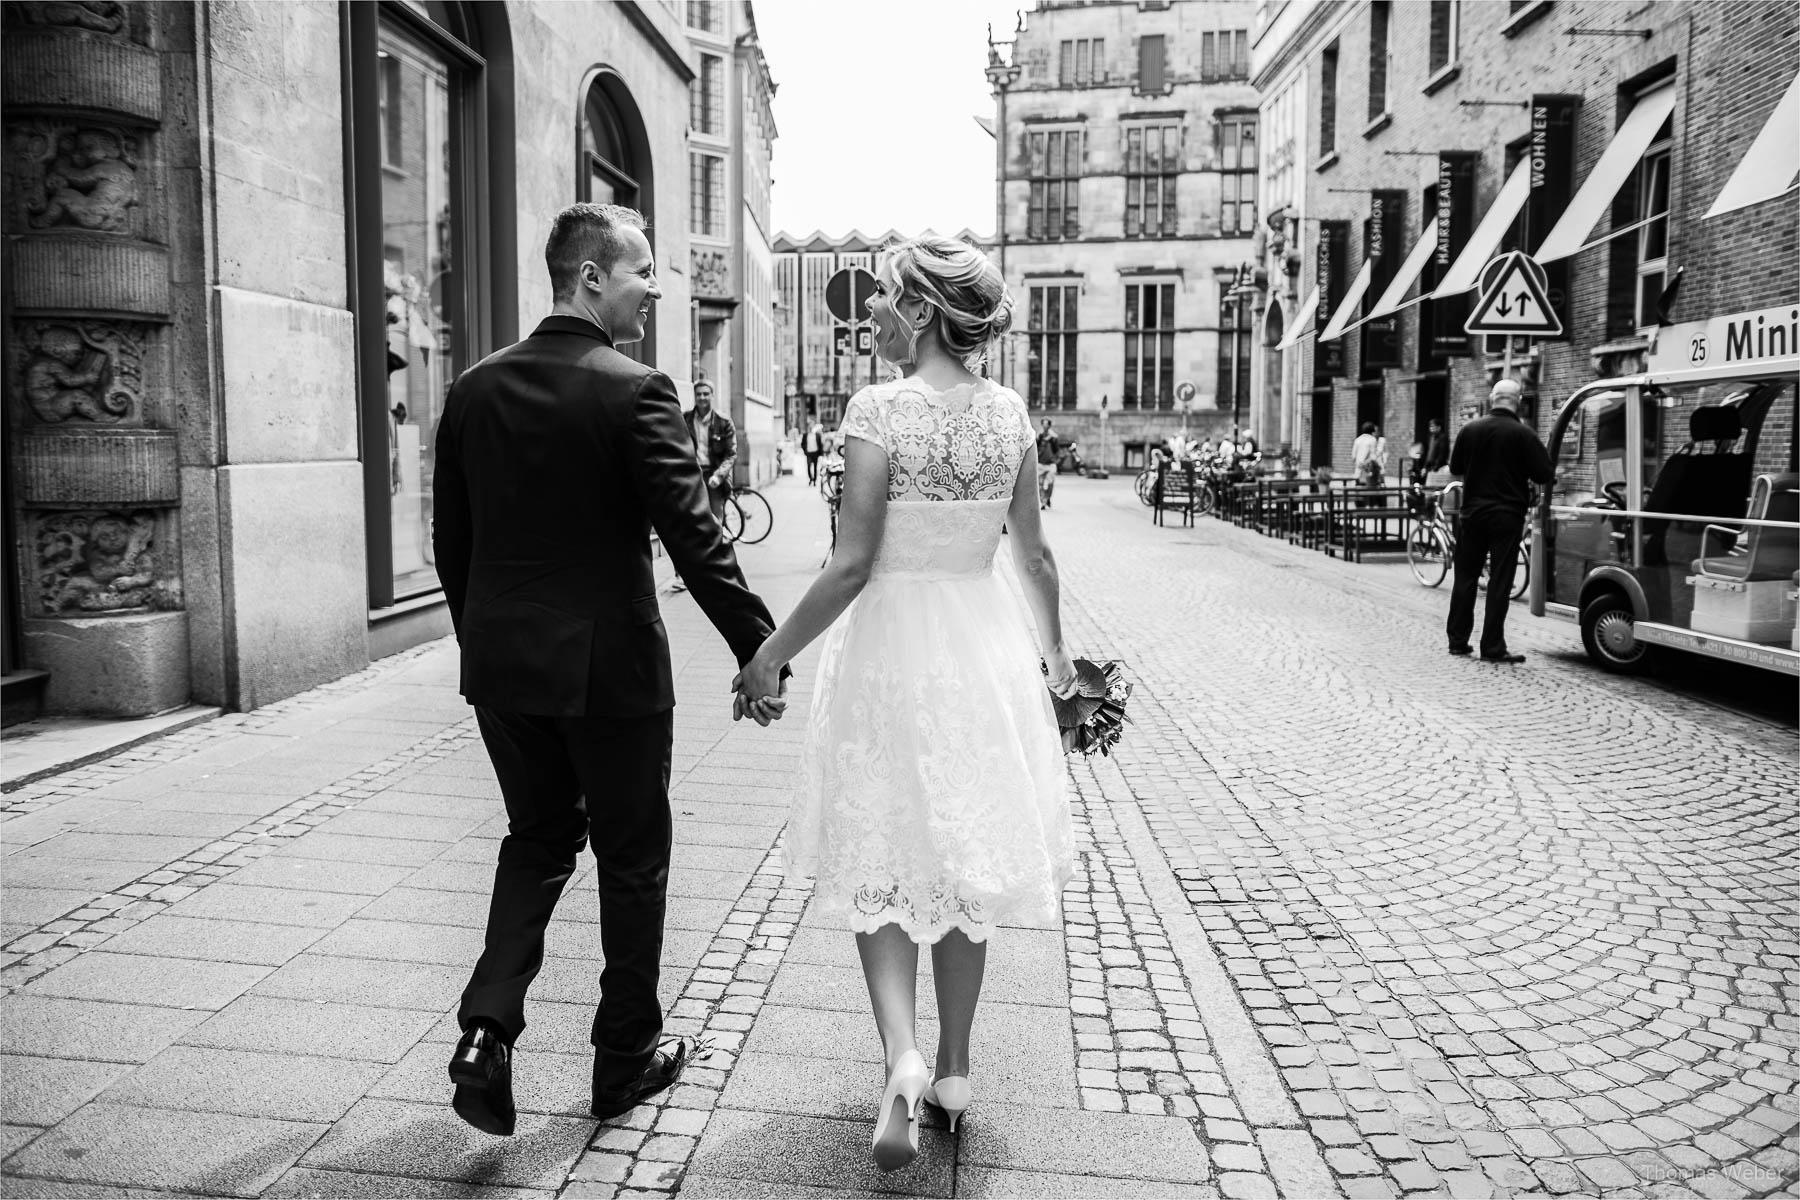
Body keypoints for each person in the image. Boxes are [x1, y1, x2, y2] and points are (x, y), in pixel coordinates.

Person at [432, 202, 786, 1138]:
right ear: (591, 276)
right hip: (611, 674)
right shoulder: (636, 390)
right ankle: (623, 1058)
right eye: (642, 271)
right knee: (632, 858)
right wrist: (759, 646)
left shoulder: (472, 389)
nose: (656, 287)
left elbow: (450, 546)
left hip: (503, 669)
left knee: (538, 839)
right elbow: (694, 536)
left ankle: (485, 1034)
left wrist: (490, 644)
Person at [730, 236, 1078, 1173]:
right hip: (983, 648)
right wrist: (1057, 670)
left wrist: (768, 656)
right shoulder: (1009, 415)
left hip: (890, 651)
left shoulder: (877, 410)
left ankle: (904, 1058)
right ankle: (958, 1072)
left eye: (885, 299)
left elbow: (852, 563)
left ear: (922, 311)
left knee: (883, 847)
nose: (871, 313)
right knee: (960, 857)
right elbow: (1034, 558)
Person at [1445, 378, 1554, 663]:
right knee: (1500, 580)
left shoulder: (1469, 430)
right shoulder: (1523, 434)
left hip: (1472, 514)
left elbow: (1455, 468)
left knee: (1466, 576)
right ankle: (1492, 646)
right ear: (1517, 400)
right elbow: (1545, 473)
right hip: (1507, 515)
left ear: (1492, 398)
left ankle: (1457, 640)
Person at [688, 380, 736, 524]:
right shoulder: (685, 419)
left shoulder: (723, 422)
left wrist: (719, 476)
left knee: (715, 521)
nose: (702, 397)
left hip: (713, 476)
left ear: (712, 396)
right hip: (692, 476)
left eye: (706, 394)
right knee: (693, 520)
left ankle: (716, 545)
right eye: (698, 394)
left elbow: (731, 454)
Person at [1035, 419, 1061, 509]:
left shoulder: (1054, 437)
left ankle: (1048, 498)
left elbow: (1057, 451)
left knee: (1050, 483)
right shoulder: (1039, 436)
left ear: (1049, 426)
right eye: (1044, 425)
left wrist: (1056, 461)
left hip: (1051, 464)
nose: (1045, 427)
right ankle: (1043, 501)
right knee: (1040, 484)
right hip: (1040, 464)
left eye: (1047, 425)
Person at [803, 416, 826, 484]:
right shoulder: (806, 435)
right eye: (810, 425)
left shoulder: (817, 435)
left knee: (815, 467)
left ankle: (815, 480)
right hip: (809, 453)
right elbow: (803, 443)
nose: (811, 426)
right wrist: (805, 451)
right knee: (809, 466)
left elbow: (821, 444)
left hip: (815, 452)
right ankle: (810, 478)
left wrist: (821, 453)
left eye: (812, 425)